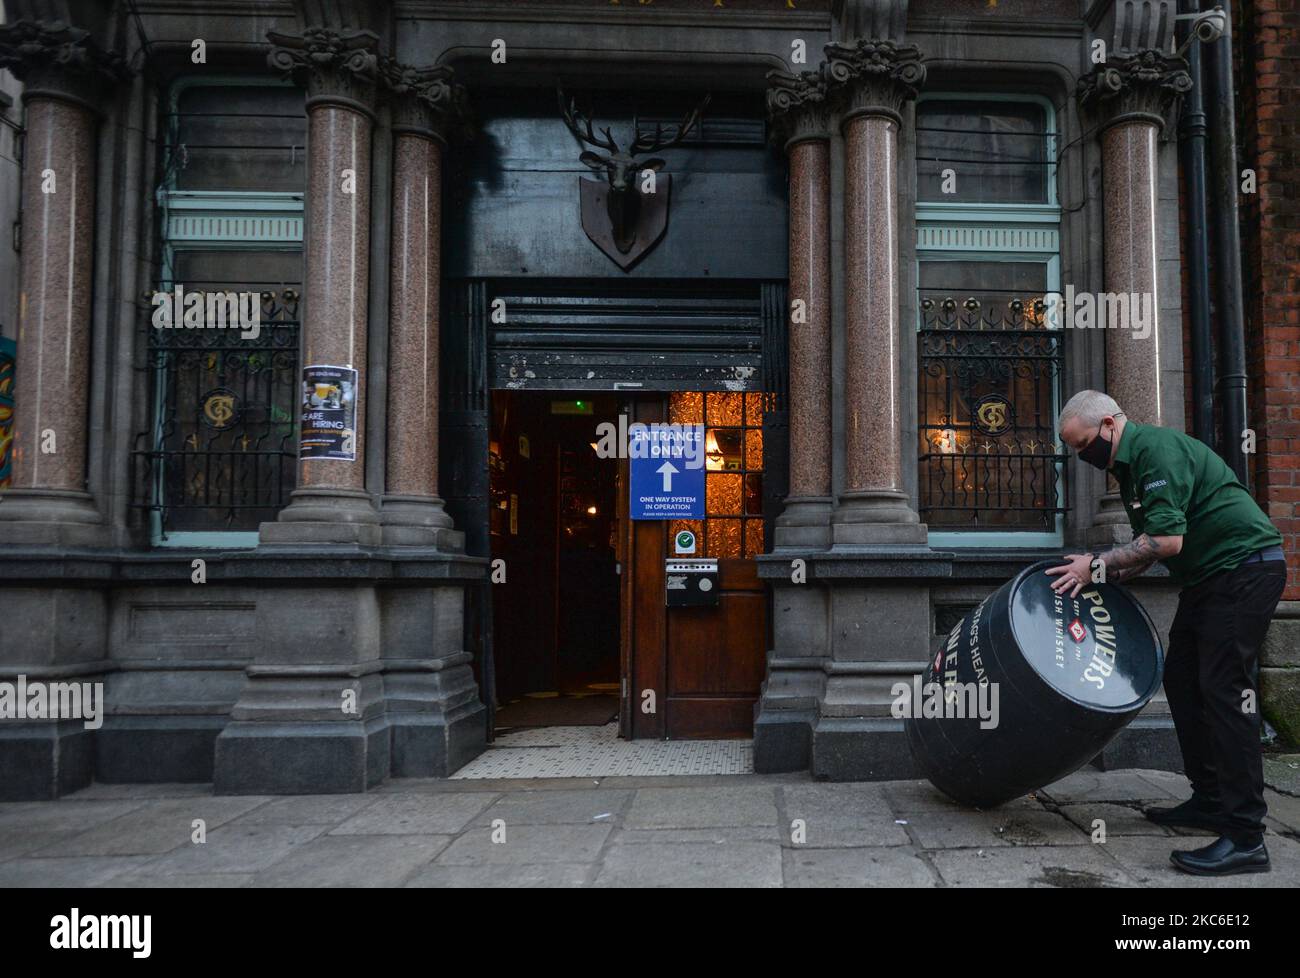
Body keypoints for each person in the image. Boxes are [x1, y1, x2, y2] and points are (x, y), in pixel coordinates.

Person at [1046, 389, 1287, 876]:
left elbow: (1167, 541)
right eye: (1073, 449)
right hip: (1209, 579)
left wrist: (1096, 563)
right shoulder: (1129, 467)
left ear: (1111, 425)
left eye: (1083, 444)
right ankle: (1211, 799)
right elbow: (1148, 548)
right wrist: (1100, 573)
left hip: (1244, 571)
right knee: (1180, 678)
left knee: (1225, 693)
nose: (1080, 456)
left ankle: (1245, 837)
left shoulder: (1155, 452)